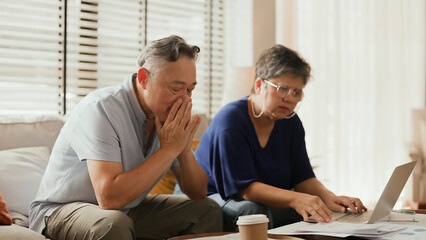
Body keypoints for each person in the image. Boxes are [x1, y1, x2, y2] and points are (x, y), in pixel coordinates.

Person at [29, 35, 222, 240]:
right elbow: (108, 198)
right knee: (112, 224)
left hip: (125, 211)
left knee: (206, 209)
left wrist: (182, 150)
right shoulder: (101, 108)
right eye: (176, 88)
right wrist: (168, 150)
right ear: (143, 78)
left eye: (190, 90)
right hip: (60, 211)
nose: (184, 99)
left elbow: (198, 192)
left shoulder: (165, 117)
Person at [195, 44, 367, 231]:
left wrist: (329, 198)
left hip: (256, 200)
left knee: (316, 212)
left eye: (296, 92)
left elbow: (303, 178)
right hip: (213, 196)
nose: (290, 98)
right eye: (283, 89)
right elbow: (245, 190)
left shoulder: (290, 122)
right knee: (254, 212)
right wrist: (296, 198)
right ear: (260, 85)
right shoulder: (230, 120)